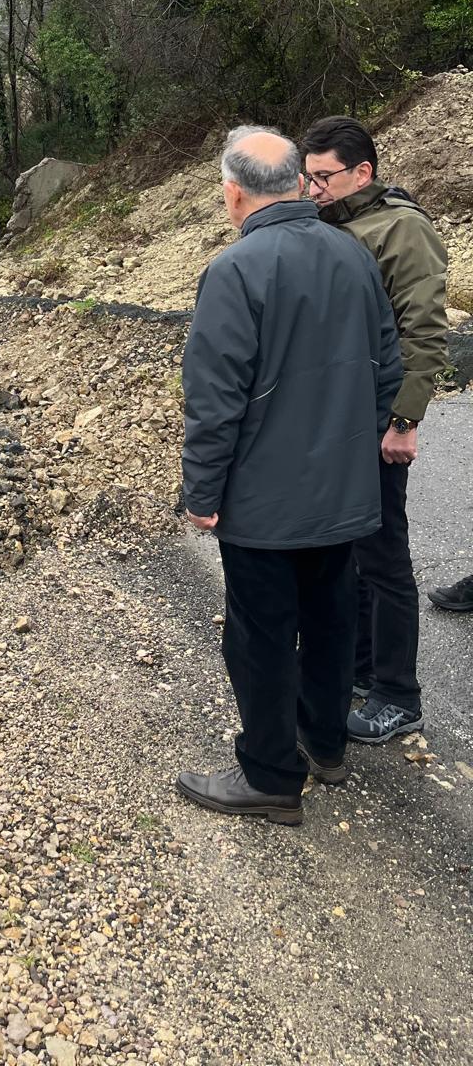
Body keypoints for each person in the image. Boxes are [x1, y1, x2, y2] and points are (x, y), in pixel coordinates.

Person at [178, 126, 401, 824]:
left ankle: (270, 775)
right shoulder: (353, 253)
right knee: (333, 619)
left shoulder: (235, 270)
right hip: (343, 493)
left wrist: (202, 492)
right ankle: (326, 743)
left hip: (265, 503)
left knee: (262, 635)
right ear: (301, 183)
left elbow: (215, 402)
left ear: (233, 193)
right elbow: (386, 369)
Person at [301, 115, 448, 741]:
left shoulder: (401, 228)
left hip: (380, 415)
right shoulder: (330, 223)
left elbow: (426, 332)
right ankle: (360, 669)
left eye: (324, 178)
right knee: (351, 551)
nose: (313, 190)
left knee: (385, 556)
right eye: (306, 179)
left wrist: (405, 420)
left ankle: (398, 694)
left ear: (363, 171)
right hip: (337, 418)